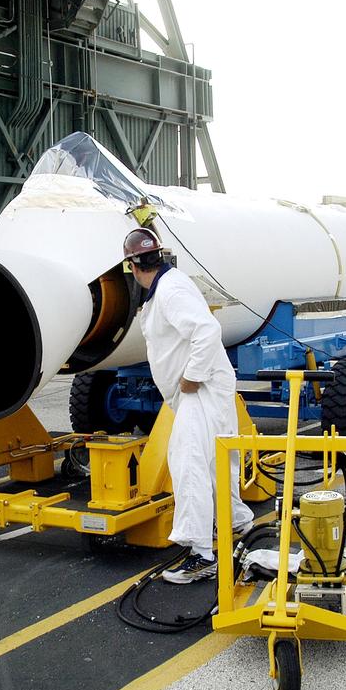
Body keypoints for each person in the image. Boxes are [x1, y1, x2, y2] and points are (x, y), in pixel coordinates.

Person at [123, 227, 255, 584]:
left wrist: (191, 377)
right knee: (214, 461)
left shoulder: (170, 290)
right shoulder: (166, 287)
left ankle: (201, 554)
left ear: (132, 266)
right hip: (204, 389)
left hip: (201, 389)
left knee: (188, 462)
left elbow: (207, 331)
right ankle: (235, 520)